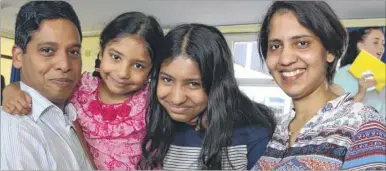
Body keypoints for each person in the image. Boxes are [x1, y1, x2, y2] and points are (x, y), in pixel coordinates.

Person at [2, 12, 164, 170]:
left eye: (138, 65)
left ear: (151, 70)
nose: (122, 73)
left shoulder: (153, 100)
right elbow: (43, 89)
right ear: (101, 51)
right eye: (115, 57)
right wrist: (12, 89)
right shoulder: (81, 88)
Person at [252, 1, 386, 170]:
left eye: (302, 43)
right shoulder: (281, 128)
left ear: (330, 51)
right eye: (275, 46)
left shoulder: (362, 123)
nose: (285, 59)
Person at [137, 23, 276, 170]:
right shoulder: (150, 126)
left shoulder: (254, 133)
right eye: (167, 80)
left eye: (193, 84)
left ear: (217, 84)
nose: (177, 99)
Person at [0, 1, 93, 170]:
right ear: (18, 56)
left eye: (73, 52)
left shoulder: (76, 110)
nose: (65, 65)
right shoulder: (15, 128)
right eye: (47, 50)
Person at [333, 27, 385, 116]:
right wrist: (360, 93)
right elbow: (334, 116)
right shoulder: (340, 76)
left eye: (383, 43)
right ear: (360, 45)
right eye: (375, 42)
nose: (381, 48)